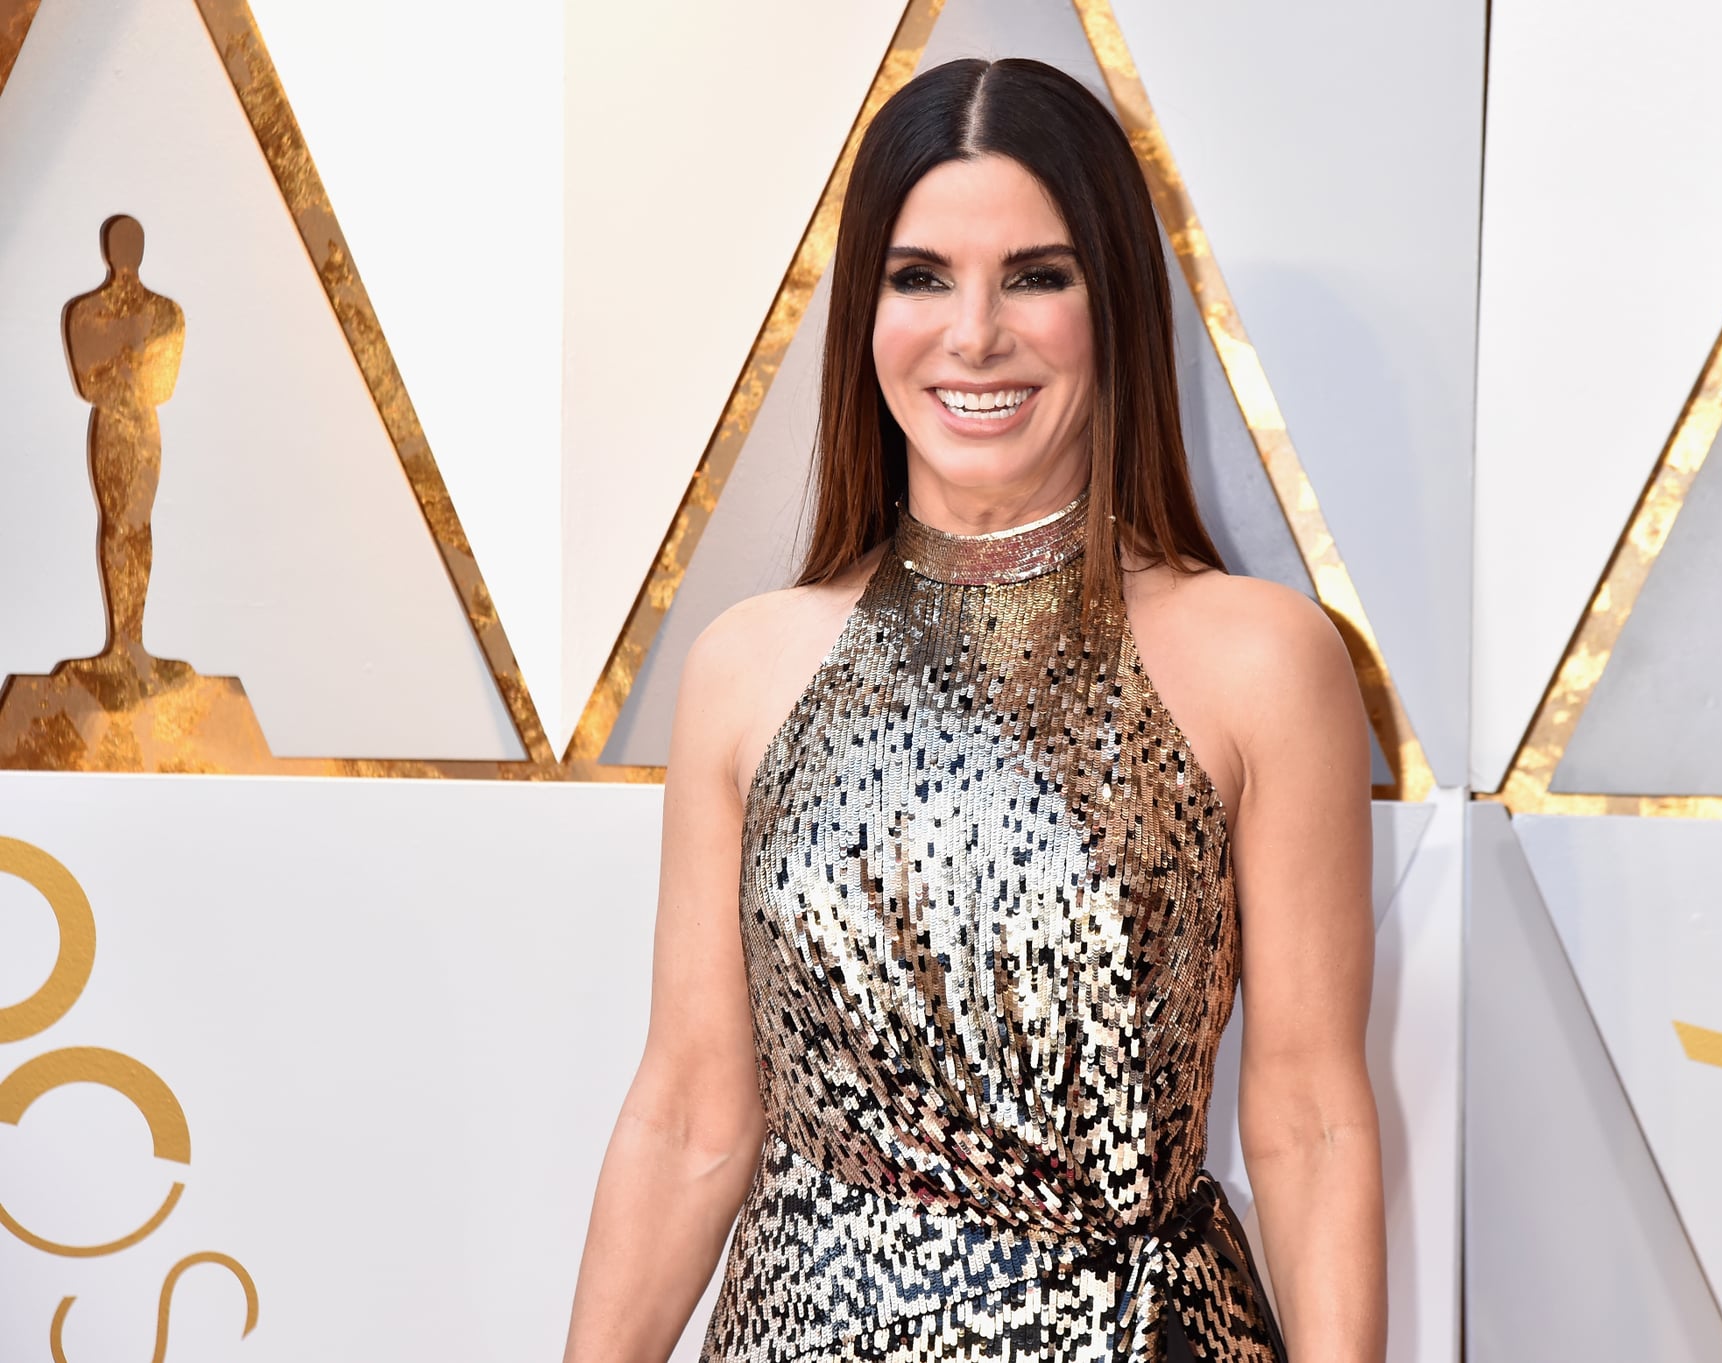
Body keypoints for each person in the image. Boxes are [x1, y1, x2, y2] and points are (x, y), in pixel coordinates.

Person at [564, 56, 1385, 1362]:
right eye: (921, 276)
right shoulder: (747, 665)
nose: (975, 333)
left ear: (1112, 302)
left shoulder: (1261, 660)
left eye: (1037, 276)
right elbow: (688, 1113)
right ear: (863, 315)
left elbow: (1310, 1113)